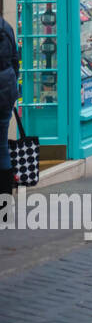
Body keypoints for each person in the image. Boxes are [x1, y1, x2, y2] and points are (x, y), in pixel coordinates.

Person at [0, 16, 20, 196]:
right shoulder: (7, 28)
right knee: (2, 148)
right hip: (6, 92)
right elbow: (16, 61)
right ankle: (4, 209)